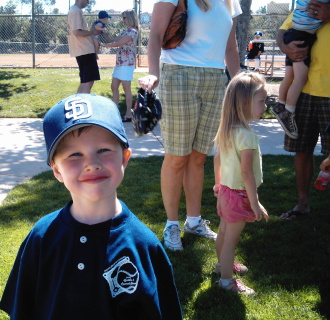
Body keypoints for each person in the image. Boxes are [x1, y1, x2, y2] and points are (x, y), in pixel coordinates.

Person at [0, 94, 186, 320]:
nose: (91, 163)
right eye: (74, 155)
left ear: (124, 158)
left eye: (104, 149)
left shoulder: (144, 246)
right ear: (57, 170)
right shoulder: (41, 237)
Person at [138, 0, 242, 251]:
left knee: (198, 157)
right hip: (178, 74)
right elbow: (155, 34)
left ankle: (193, 221)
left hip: (216, 79)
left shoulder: (231, 2)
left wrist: (239, 84)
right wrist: (154, 72)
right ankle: (171, 224)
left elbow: (231, 46)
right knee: (176, 157)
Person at [213, 72, 269, 295]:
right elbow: (247, 173)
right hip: (238, 195)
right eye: (262, 100)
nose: (265, 105)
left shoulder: (227, 129)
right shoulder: (246, 136)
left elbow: (217, 160)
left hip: (226, 192)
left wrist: (218, 187)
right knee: (231, 241)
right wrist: (255, 204)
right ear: (245, 103)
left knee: (224, 232)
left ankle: (221, 266)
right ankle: (227, 282)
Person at [277, 1, 330, 221]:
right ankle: (302, 204)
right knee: (302, 149)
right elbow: (282, 32)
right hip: (304, 92)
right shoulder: (312, 6)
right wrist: (285, 47)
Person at [272, 0, 329, 140]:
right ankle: (287, 112)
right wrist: (285, 47)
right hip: (300, 40)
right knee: (299, 79)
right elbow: (281, 31)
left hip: (295, 36)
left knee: (290, 77)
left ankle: (281, 105)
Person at [101, 10, 139, 122]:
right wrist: (103, 33)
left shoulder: (133, 31)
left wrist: (102, 45)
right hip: (120, 62)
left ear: (131, 18)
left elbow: (118, 43)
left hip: (127, 63)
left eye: (125, 18)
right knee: (114, 86)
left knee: (126, 88)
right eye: (123, 18)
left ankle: (128, 114)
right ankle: (115, 111)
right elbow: (113, 40)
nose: (123, 20)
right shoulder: (125, 31)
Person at [67, 0, 100, 94]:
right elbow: (76, 32)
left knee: (87, 81)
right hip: (84, 50)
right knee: (87, 82)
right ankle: (82, 105)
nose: (88, 2)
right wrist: (92, 32)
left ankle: (78, 103)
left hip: (84, 50)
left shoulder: (75, 10)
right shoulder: (75, 11)